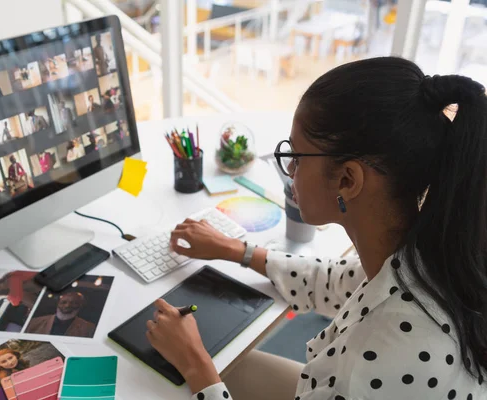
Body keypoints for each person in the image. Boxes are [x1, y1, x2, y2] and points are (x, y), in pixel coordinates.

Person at [146, 57, 487, 400]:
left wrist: (193, 362)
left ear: (348, 179)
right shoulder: (425, 251)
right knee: (230, 366)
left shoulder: (384, 350)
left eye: (297, 154)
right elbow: (332, 281)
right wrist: (235, 250)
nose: (291, 167)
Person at [26, 292, 96, 337]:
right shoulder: (34, 323)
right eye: (64, 302)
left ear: (80, 305)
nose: (67, 305)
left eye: (73, 303)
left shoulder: (89, 328)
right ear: (58, 303)